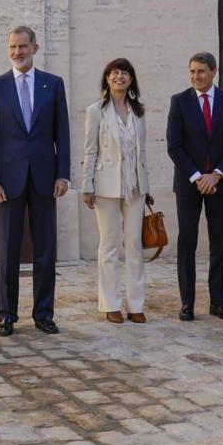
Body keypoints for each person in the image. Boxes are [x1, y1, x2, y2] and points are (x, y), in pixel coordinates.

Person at [0, 25, 71, 336]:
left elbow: (63, 133)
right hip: (8, 181)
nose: (17, 52)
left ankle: (44, 313)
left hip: (45, 178)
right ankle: (7, 314)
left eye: (23, 46)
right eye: (12, 48)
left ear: (35, 47)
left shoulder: (53, 85)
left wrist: (63, 173)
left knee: (46, 249)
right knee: (8, 250)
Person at [167, 51, 223, 321]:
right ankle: (187, 302)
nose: (195, 76)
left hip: (220, 184)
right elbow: (174, 146)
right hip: (189, 185)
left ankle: (218, 302)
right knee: (187, 242)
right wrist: (198, 176)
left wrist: (216, 175)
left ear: (214, 71)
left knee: (219, 243)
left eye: (200, 71)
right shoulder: (179, 102)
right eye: (192, 71)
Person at [81, 58, 151, 325]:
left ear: (131, 79)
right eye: (114, 73)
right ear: (107, 79)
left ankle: (136, 304)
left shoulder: (139, 112)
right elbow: (90, 150)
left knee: (134, 244)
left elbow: (142, 151)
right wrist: (87, 185)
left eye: (124, 73)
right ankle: (110, 303)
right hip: (106, 186)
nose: (119, 76)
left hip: (134, 187)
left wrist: (146, 184)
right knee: (109, 245)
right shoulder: (96, 110)